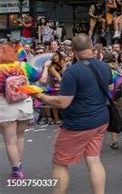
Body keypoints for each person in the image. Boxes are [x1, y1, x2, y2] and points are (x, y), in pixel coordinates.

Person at [35, 34, 111, 194]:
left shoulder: (72, 71)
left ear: (73, 50)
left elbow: (63, 102)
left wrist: (41, 96)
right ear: (92, 46)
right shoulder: (105, 67)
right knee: (94, 160)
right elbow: (110, 89)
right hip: (100, 120)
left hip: (78, 124)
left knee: (60, 162)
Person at [0, 43, 48, 179]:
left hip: (5, 106)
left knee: (10, 141)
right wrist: (46, 67)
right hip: (24, 105)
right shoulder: (23, 66)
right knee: (19, 136)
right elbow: (43, 80)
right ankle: (18, 164)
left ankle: (17, 170)